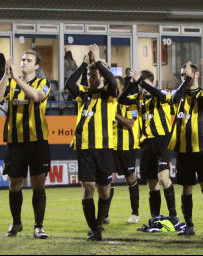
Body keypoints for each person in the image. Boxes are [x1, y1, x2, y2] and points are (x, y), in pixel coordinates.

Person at [0, 50, 51, 239]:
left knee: (38, 184)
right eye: (22, 59)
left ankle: (38, 225)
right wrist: (6, 75)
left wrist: (16, 79)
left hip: (37, 142)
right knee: (14, 185)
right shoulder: (10, 83)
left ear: (36, 66)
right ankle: (17, 222)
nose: (24, 62)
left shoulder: (43, 83)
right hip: (15, 142)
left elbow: (37, 97)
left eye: (29, 60)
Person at [66, 44, 117, 241]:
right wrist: (84, 64)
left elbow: (113, 83)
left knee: (104, 191)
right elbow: (70, 84)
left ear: (102, 76)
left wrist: (97, 62)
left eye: (94, 74)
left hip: (104, 148)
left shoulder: (109, 95)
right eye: (89, 74)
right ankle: (95, 229)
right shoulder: (83, 94)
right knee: (88, 186)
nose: (90, 77)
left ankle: (99, 221)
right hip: (85, 147)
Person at [119, 69, 179, 222]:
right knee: (152, 182)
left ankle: (173, 215)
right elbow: (121, 100)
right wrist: (131, 84)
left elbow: (159, 95)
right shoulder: (139, 98)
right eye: (142, 86)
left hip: (163, 140)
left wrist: (140, 82)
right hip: (146, 143)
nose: (144, 89)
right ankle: (155, 217)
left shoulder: (162, 94)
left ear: (153, 82)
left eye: (146, 85)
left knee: (163, 177)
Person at [168, 60, 203, 236]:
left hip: (202, 150)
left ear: (196, 74)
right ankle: (189, 224)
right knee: (186, 188)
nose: (184, 77)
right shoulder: (178, 96)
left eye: (187, 74)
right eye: (182, 75)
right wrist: (186, 80)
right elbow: (173, 98)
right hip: (183, 151)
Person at [107, 76, 142, 224]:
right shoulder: (108, 102)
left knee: (131, 178)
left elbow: (130, 124)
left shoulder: (130, 104)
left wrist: (114, 114)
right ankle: (104, 215)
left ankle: (135, 214)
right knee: (109, 179)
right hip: (110, 146)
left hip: (127, 146)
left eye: (115, 85)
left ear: (121, 87)